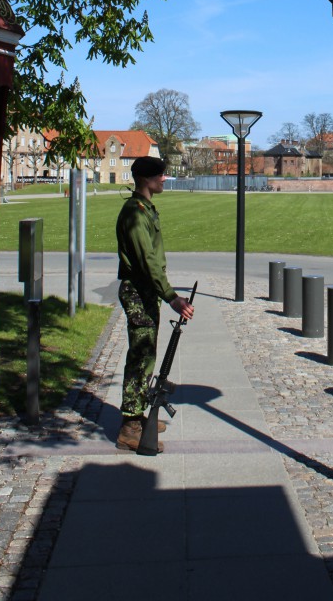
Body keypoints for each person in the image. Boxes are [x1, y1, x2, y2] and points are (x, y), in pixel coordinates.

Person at [115, 155, 194, 451]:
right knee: (140, 356)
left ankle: (137, 414)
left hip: (147, 291)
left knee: (147, 355)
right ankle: (129, 427)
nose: (164, 179)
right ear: (147, 179)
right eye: (160, 175)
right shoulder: (135, 213)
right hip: (139, 291)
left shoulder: (144, 209)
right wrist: (171, 296)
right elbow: (147, 261)